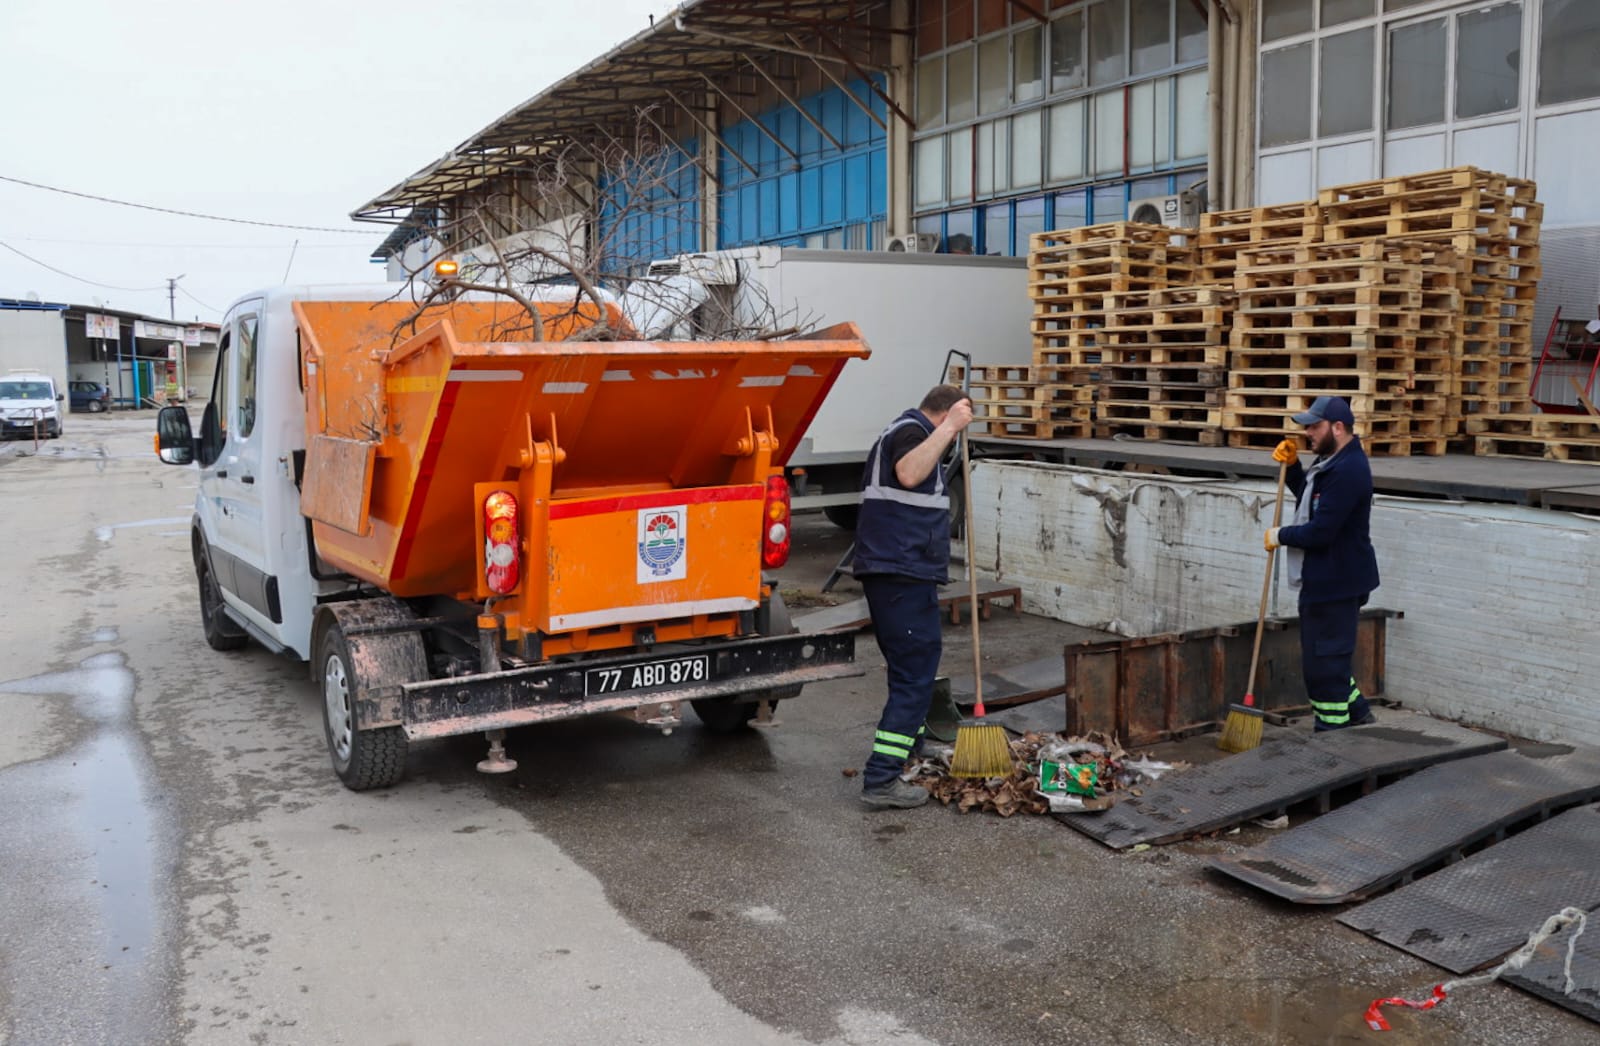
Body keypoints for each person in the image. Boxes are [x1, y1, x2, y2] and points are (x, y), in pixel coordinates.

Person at [853, 384, 974, 809]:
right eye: (957, 426)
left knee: (909, 669)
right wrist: (951, 428)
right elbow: (908, 473)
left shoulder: (907, 432)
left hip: (901, 573)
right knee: (915, 674)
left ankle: (911, 747)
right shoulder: (912, 433)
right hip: (900, 574)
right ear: (946, 414)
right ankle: (881, 778)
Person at [1264, 395, 1380, 732]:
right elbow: (1312, 502)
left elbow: (1322, 532)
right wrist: (1294, 469)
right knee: (1329, 657)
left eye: (1314, 426)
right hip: (1327, 578)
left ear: (1338, 427)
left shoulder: (1348, 471)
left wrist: (1281, 535)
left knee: (1324, 665)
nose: (1307, 433)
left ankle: (1332, 735)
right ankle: (1357, 712)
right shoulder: (1332, 463)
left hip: (1337, 581)